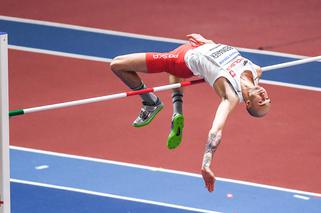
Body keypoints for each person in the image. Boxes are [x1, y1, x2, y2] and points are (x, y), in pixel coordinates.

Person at [110, 34, 271, 192]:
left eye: (260, 101)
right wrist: (209, 43)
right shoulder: (256, 70)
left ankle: (151, 102)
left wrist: (206, 164)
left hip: (180, 59)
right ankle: (177, 110)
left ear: (248, 103)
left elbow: (216, 132)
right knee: (175, 72)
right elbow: (226, 59)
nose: (264, 96)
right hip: (200, 46)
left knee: (117, 64)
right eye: (267, 99)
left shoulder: (231, 96)